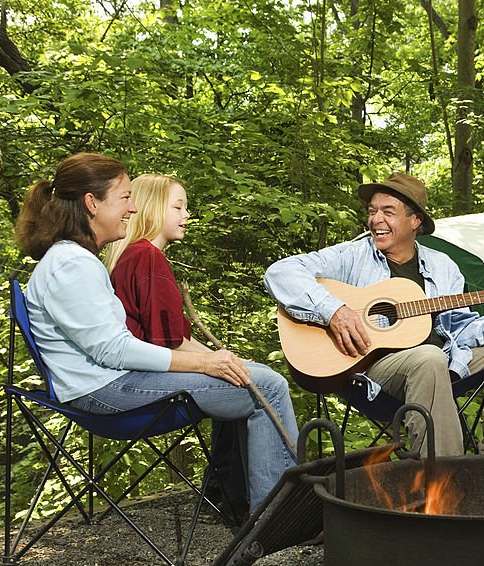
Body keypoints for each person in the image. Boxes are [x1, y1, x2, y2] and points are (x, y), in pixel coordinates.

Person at [15, 154, 297, 513]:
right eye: (124, 198)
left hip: (106, 383)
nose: (132, 209)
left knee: (251, 376)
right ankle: (277, 516)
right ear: (92, 203)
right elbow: (113, 351)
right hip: (104, 391)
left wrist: (210, 363)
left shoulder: (75, 259)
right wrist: (204, 364)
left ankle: (243, 500)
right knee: (268, 387)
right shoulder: (71, 264)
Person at [264, 172, 484, 456]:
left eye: (388, 212)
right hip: (373, 373)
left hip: (446, 362)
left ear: (415, 221)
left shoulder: (443, 266)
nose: (376, 220)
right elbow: (280, 273)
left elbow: (461, 331)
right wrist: (334, 311)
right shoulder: (351, 256)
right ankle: (449, 482)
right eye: (372, 211)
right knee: (429, 358)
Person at [103, 174, 291, 522]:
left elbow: (173, 337)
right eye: (178, 206)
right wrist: (219, 360)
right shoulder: (147, 258)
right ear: (153, 208)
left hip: (141, 373)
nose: (187, 215)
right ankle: (276, 514)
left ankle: (228, 496)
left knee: (242, 372)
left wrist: (225, 359)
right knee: (270, 385)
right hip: (145, 380)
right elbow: (169, 343)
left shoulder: (133, 255)